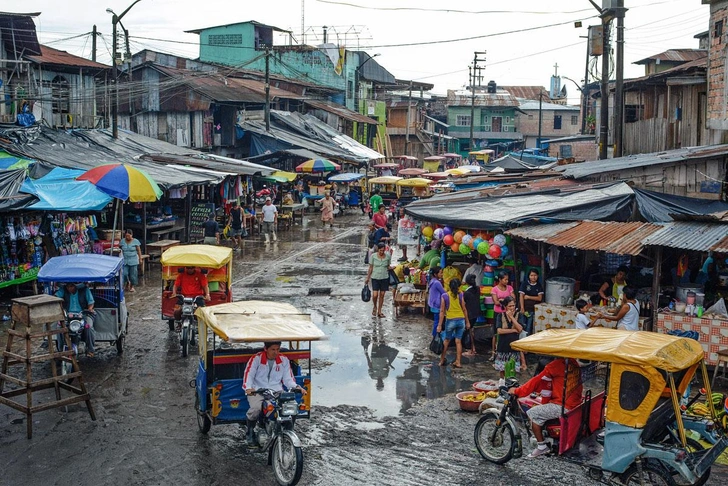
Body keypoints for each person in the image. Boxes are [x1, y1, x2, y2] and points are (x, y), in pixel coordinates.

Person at [508, 358, 583, 458]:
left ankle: (542, 445)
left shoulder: (556, 365)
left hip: (564, 406)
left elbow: (535, 381)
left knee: (533, 413)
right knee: (542, 409)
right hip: (575, 403)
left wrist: (517, 391)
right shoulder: (573, 363)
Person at [242, 341, 307, 447]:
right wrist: (248, 388)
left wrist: (296, 387)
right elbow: (248, 375)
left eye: (278, 349)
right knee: (256, 409)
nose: (276, 352)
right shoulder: (256, 359)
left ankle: (289, 430)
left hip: (277, 390)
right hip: (258, 391)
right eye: (273, 349)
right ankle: (250, 433)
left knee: (292, 406)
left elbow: (288, 379)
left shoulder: (284, 360)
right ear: (265, 348)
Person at [55, 282, 95, 357]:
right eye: (68, 287)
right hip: (67, 316)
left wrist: (90, 309)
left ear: (76, 286)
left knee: (88, 327)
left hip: (83, 314)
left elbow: (91, 302)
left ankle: (90, 350)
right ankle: (60, 351)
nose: (69, 288)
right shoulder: (63, 290)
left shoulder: (85, 290)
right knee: (59, 328)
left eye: (71, 286)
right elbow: (56, 297)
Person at [437, 278, 470, 368]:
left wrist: (439, 325)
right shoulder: (460, 295)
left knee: (446, 341)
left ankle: (442, 360)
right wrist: (467, 322)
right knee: (458, 341)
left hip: (450, 320)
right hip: (461, 320)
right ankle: (458, 362)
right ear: (458, 287)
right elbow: (464, 309)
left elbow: (442, 311)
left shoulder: (445, 296)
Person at [490, 271, 515, 361]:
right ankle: (493, 353)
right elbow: (496, 302)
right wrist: (505, 300)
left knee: (508, 332)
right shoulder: (494, 289)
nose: (506, 281)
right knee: (496, 333)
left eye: (507, 279)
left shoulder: (510, 288)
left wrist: (502, 300)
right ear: (500, 280)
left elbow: (513, 298)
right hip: (498, 313)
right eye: (505, 279)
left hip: (508, 313)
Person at [495, 297, 523, 377]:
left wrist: (512, 317)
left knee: (513, 371)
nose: (512, 308)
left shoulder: (519, 315)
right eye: (510, 306)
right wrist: (513, 330)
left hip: (514, 348)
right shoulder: (500, 316)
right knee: (502, 370)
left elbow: (520, 329)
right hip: (503, 346)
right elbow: (499, 331)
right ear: (505, 306)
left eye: (513, 306)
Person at [365, 242, 393, 318]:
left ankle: (379, 311)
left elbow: (388, 266)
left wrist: (393, 268)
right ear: (378, 250)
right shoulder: (373, 256)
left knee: (382, 295)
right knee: (375, 295)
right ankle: (375, 306)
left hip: (384, 277)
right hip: (375, 277)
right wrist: (367, 278)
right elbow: (370, 267)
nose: (381, 252)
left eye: (383, 250)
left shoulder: (387, 256)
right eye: (380, 250)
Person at [518, 269, 543, 335]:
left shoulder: (539, 285)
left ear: (538, 276)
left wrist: (529, 297)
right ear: (529, 276)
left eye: (535, 275)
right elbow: (521, 296)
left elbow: (539, 298)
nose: (533, 277)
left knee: (529, 327)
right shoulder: (524, 284)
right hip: (524, 308)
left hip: (532, 310)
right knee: (522, 325)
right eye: (531, 275)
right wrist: (522, 307)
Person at [462, 273, 482, 356]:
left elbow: (463, 305)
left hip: (469, 314)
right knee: (470, 330)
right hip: (476, 313)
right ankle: (473, 348)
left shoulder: (466, 293)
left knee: (468, 331)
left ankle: (470, 350)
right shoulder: (477, 289)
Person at [427, 266, 446, 337]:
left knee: (436, 321)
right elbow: (443, 292)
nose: (442, 274)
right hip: (437, 305)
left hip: (433, 303)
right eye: (441, 273)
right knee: (437, 322)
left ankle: (435, 335)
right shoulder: (437, 283)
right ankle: (435, 336)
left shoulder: (432, 281)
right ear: (435, 274)